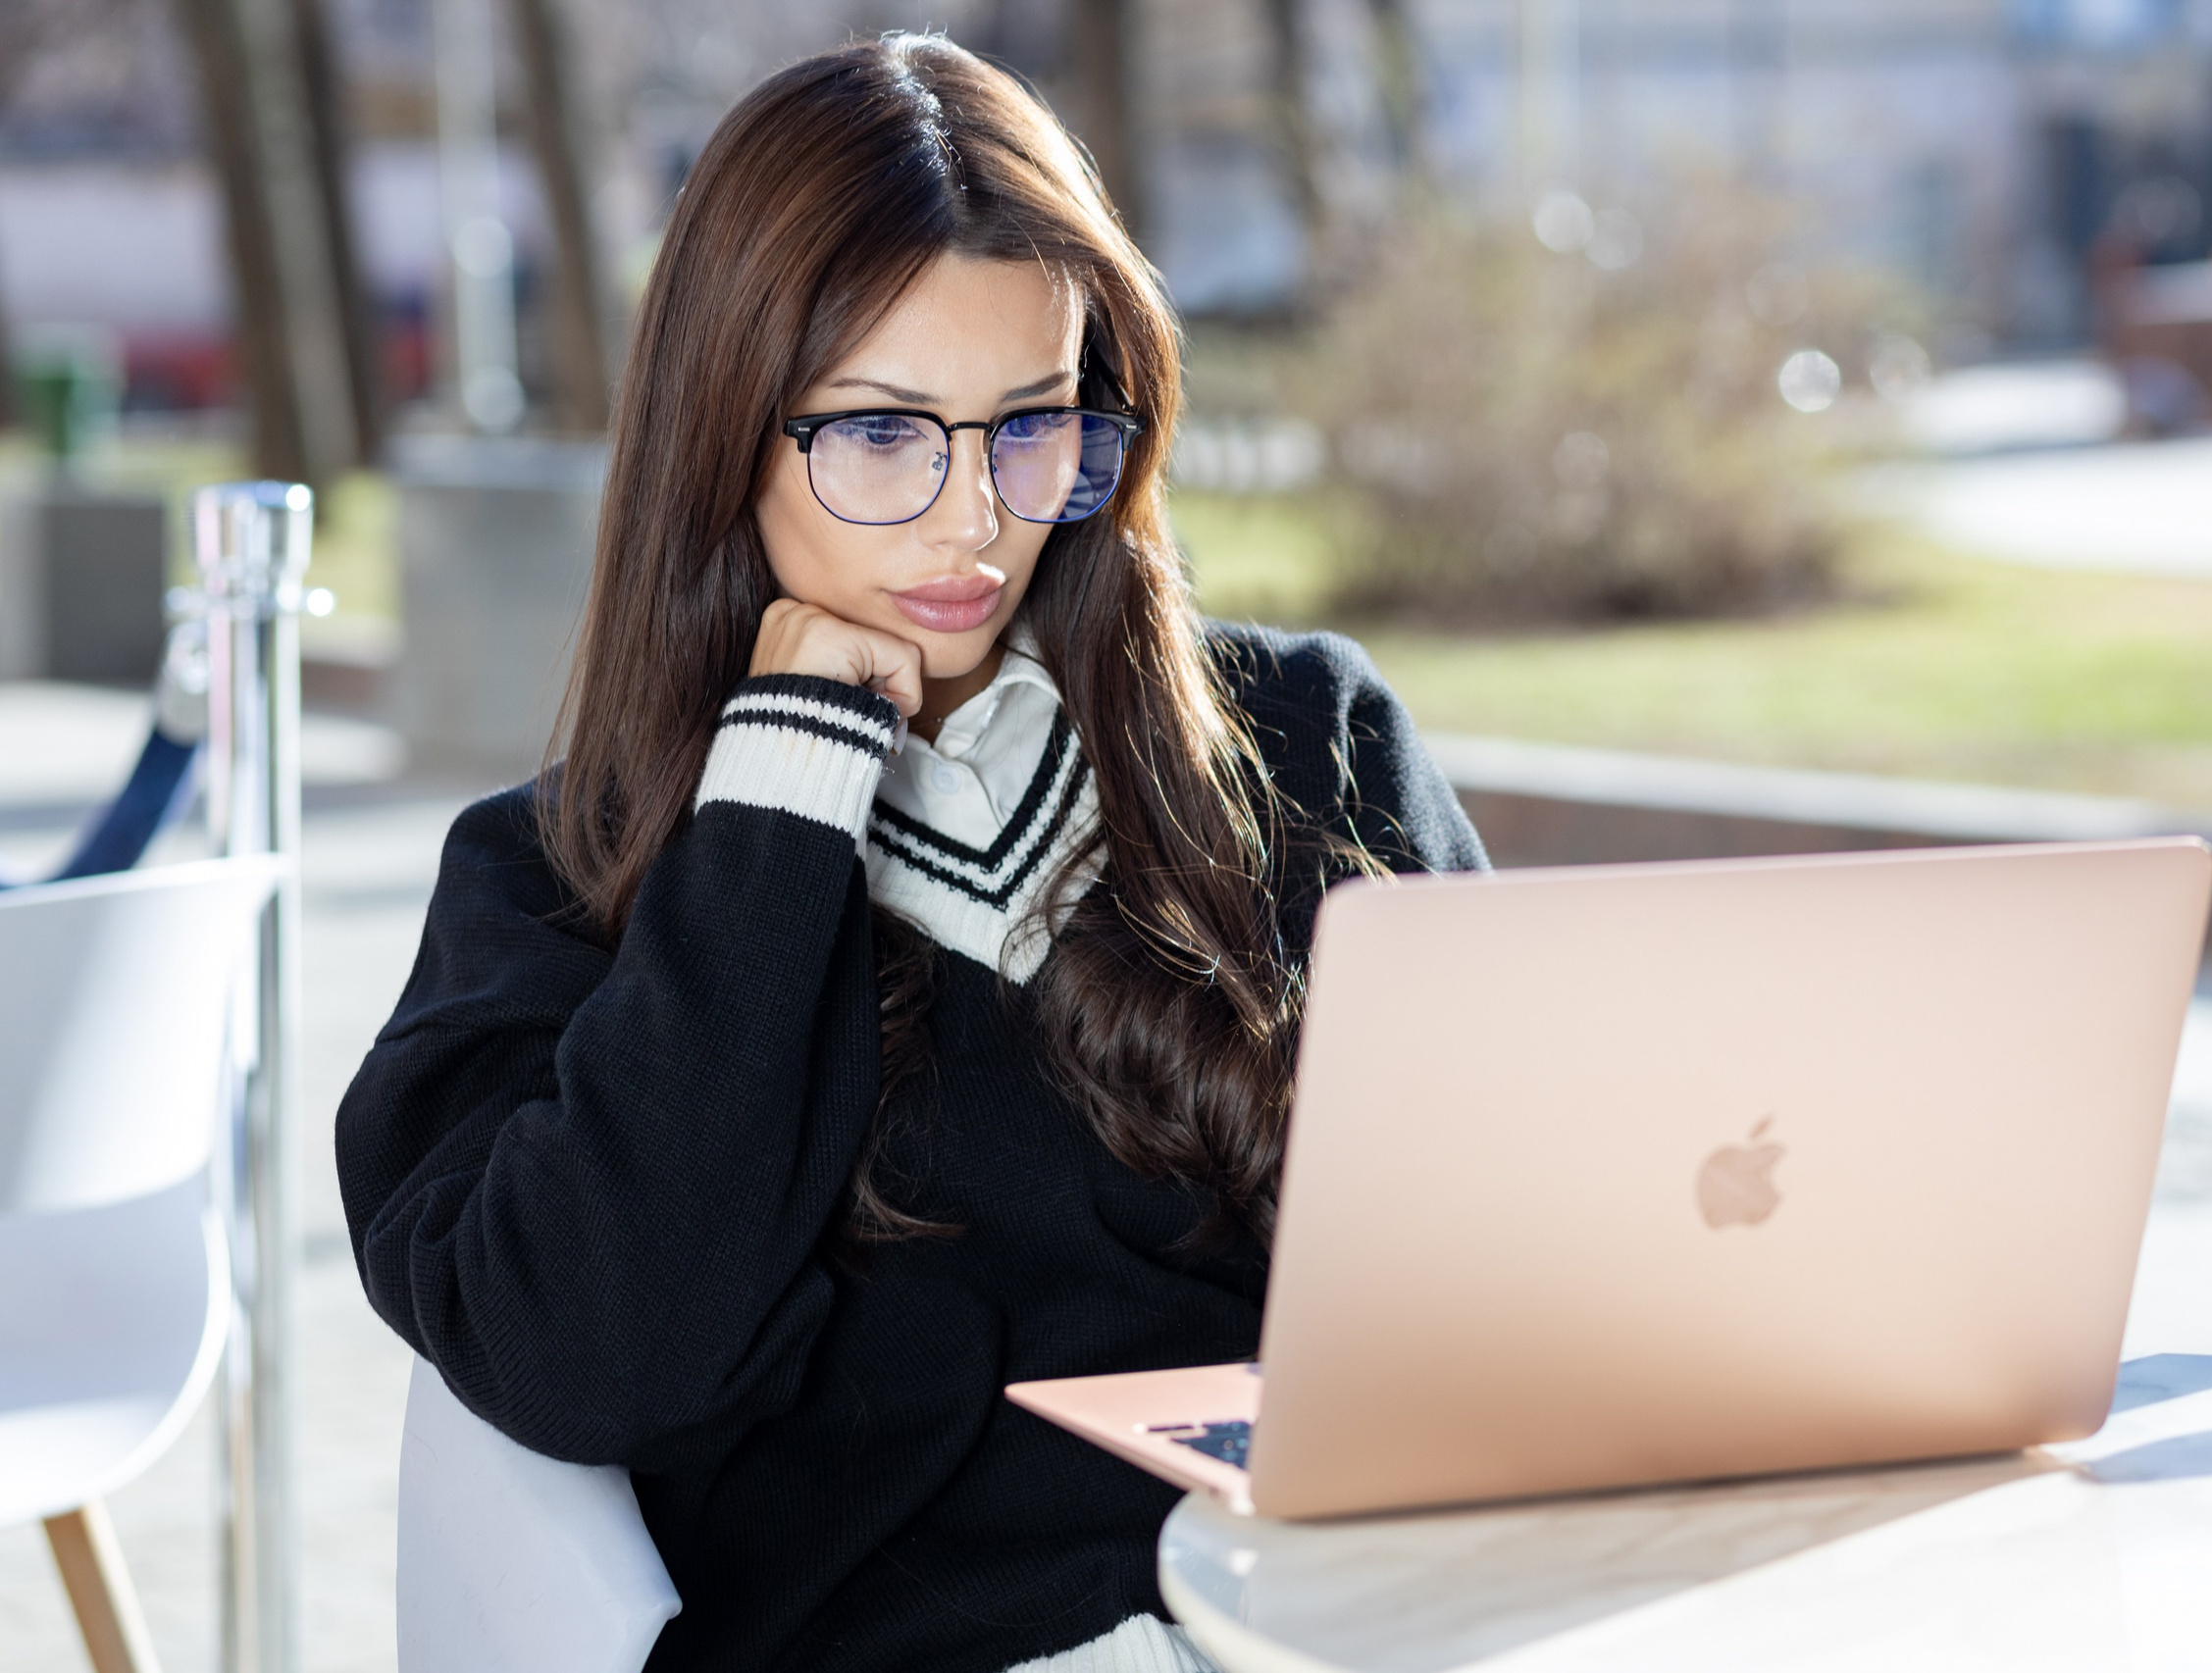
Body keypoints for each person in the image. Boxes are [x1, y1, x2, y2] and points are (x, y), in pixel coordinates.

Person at [335, 32, 1485, 1673]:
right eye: (882, 434)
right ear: (726, 434)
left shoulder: (1304, 742)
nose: (973, 520)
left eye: (1032, 424)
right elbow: (585, 1364)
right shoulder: (554, 885)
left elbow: (1515, 1238)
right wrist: (786, 782)